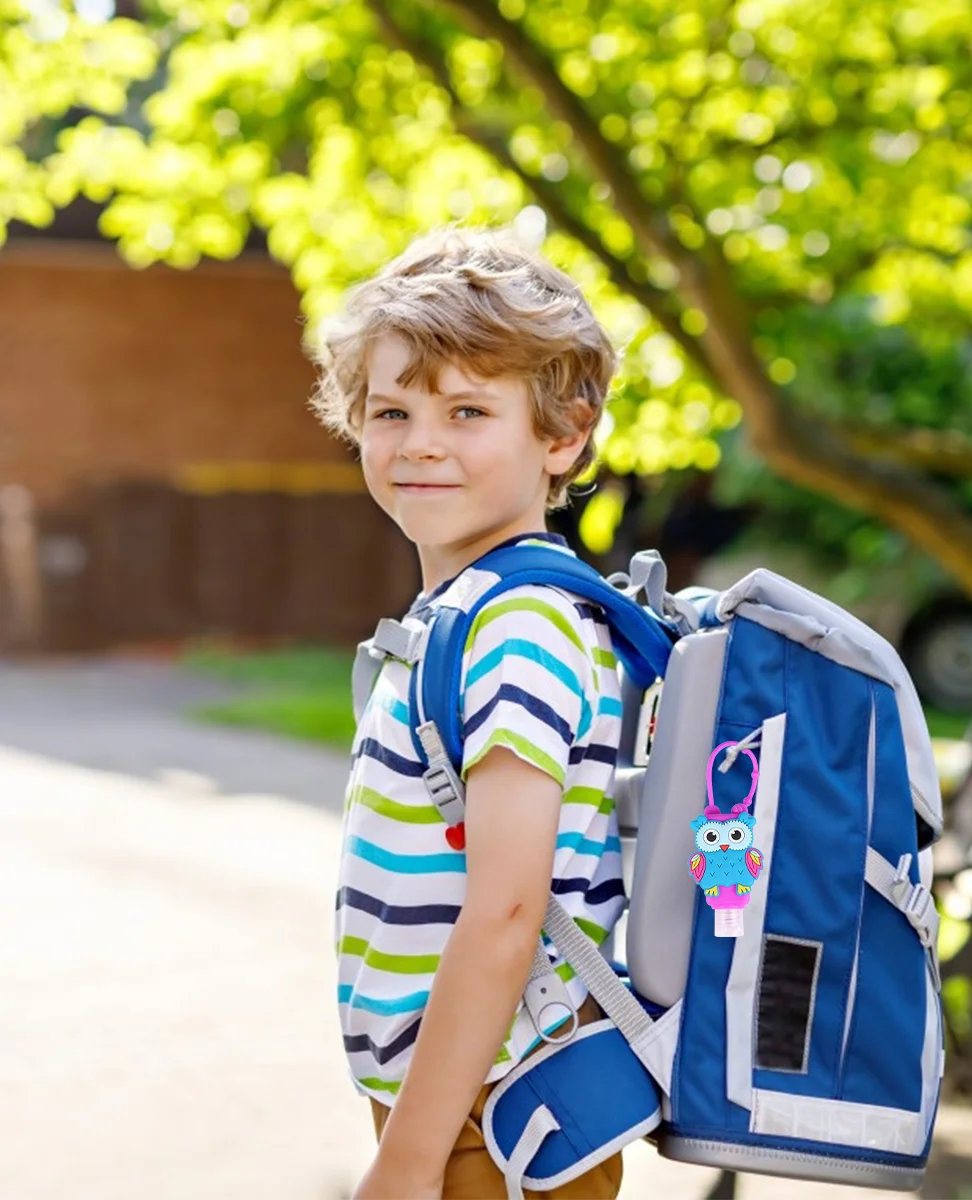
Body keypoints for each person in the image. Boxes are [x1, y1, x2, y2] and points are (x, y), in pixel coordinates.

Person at [311, 224, 627, 1200]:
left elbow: (505, 910)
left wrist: (408, 1158)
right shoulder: (469, 614)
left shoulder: (517, 629)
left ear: (562, 435)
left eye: (467, 410)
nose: (422, 445)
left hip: (494, 1123)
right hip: (470, 1104)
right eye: (394, 410)